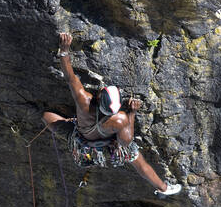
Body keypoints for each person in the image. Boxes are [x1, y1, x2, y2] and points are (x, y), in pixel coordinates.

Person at [42, 33, 181, 197]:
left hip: (81, 140)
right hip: (110, 142)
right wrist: (131, 113)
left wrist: (64, 50)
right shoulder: (120, 118)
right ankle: (163, 189)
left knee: (47, 116)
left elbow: (70, 77)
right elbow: (126, 141)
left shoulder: (84, 101)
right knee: (137, 159)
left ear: (100, 98)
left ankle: (76, 125)